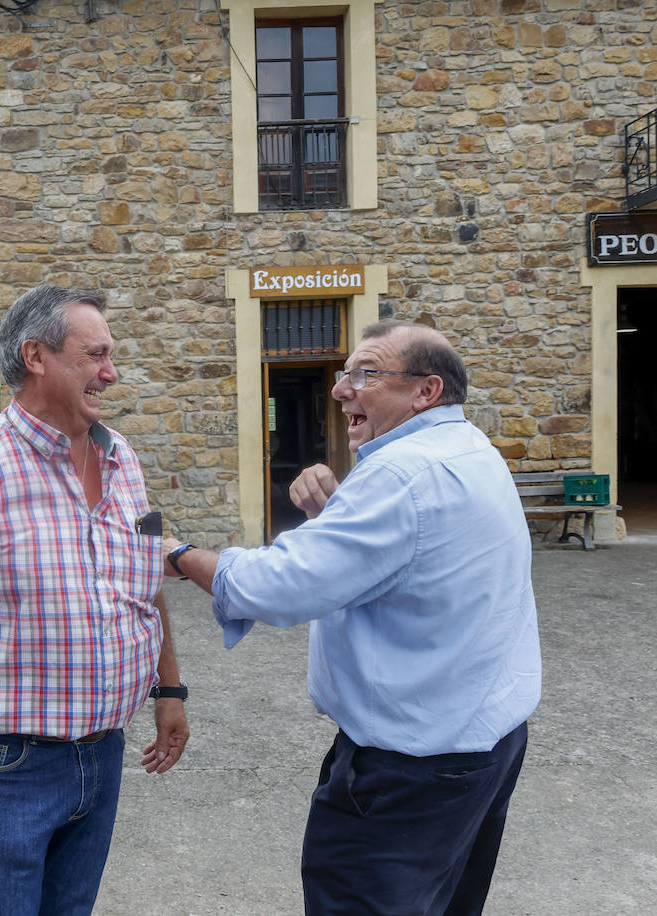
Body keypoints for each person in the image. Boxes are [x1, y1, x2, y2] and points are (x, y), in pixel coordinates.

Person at [164, 320, 541, 915]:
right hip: (481, 747)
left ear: (426, 391)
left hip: (410, 773)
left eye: (367, 374)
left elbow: (280, 585)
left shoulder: (400, 474)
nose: (342, 389)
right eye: (345, 374)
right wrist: (340, 510)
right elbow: (414, 556)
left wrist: (178, 556)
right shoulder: (469, 449)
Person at [0, 284, 190, 915]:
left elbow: (148, 575)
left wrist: (169, 689)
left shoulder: (123, 456)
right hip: (5, 764)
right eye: (96, 355)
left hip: (104, 750)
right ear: (36, 357)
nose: (112, 372)